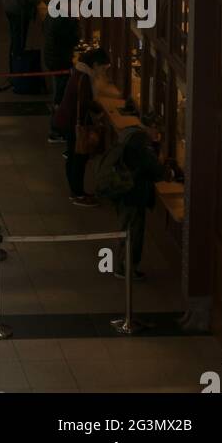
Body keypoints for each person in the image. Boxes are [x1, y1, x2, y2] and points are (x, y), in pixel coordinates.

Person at [112, 126, 169, 281]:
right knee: (134, 233)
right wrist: (157, 147)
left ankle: (121, 264)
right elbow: (157, 171)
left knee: (125, 228)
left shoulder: (129, 139)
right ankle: (127, 267)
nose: (157, 135)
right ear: (151, 129)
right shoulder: (142, 149)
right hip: (135, 197)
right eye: (156, 132)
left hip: (122, 194)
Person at [55, 47, 110, 206]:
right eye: (103, 68)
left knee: (73, 157)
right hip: (75, 123)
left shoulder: (80, 72)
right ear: (95, 64)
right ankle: (77, 193)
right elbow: (84, 102)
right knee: (78, 158)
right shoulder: (84, 78)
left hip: (68, 120)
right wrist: (101, 111)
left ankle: (75, 190)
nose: (103, 72)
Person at [0, 0, 48, 91]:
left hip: (10, 6)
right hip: (18, 10)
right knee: (18, 41)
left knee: (15, 39)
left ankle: (14, 71)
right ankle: (17, 74)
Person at [44, 1, 80, 143]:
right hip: (61, 61)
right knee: (61, 96)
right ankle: (56, 130)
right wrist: (76, 22)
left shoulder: (52, 14)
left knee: (59, 94)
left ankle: (56, 127)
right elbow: (74, 39)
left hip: (52, 58)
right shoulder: (65, 20)